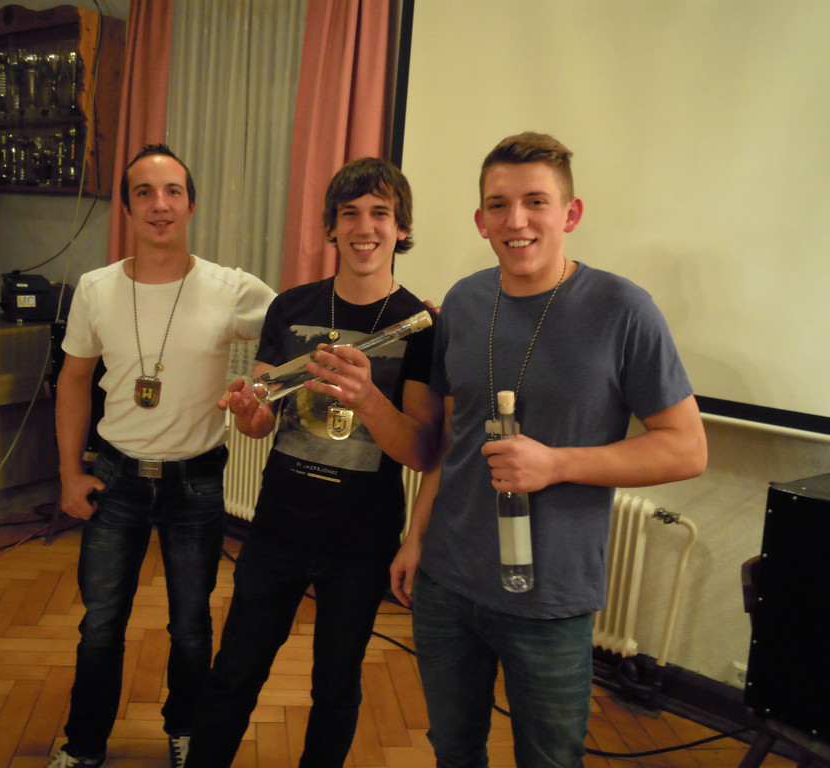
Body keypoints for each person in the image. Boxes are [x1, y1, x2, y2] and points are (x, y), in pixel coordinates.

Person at [389, 132, 708, 768]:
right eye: (498, 205)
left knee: (551, 759)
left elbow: (686, 449)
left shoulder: (623, 309)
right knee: (452, 749)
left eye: (536, 201)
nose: (517, 221)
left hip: (550, 599)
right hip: (448, 582)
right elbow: (452, 439)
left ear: (571, 213)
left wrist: (559, 463)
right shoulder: (464, 301)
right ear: (480, 220)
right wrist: (415, 536)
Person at [185, 157, 442, 768]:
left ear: (401, 227)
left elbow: (421, 451)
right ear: (331, 227)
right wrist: (247, 410)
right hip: (278, 527)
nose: (364, 227)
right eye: (349, 214)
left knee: (335, 688)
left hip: (362, 541)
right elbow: (260, 422)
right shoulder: (291, 307)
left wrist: (368, 397)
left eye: (380, 213)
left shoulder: (423, 325)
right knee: (233, 673)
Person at [49, 144, 276, 768]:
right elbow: (73, 381)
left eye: (173, 191)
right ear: (127, 209)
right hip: (115, 478)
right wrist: (69, 473)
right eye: (144, 193)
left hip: (196, 484)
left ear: (191, 205)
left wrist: (409, 313)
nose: (160, 205)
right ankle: (84, 745)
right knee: (100, 625)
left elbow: (300, 319)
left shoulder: (231, 289)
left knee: (192, 627)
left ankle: (187, 731)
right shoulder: (96, 289)